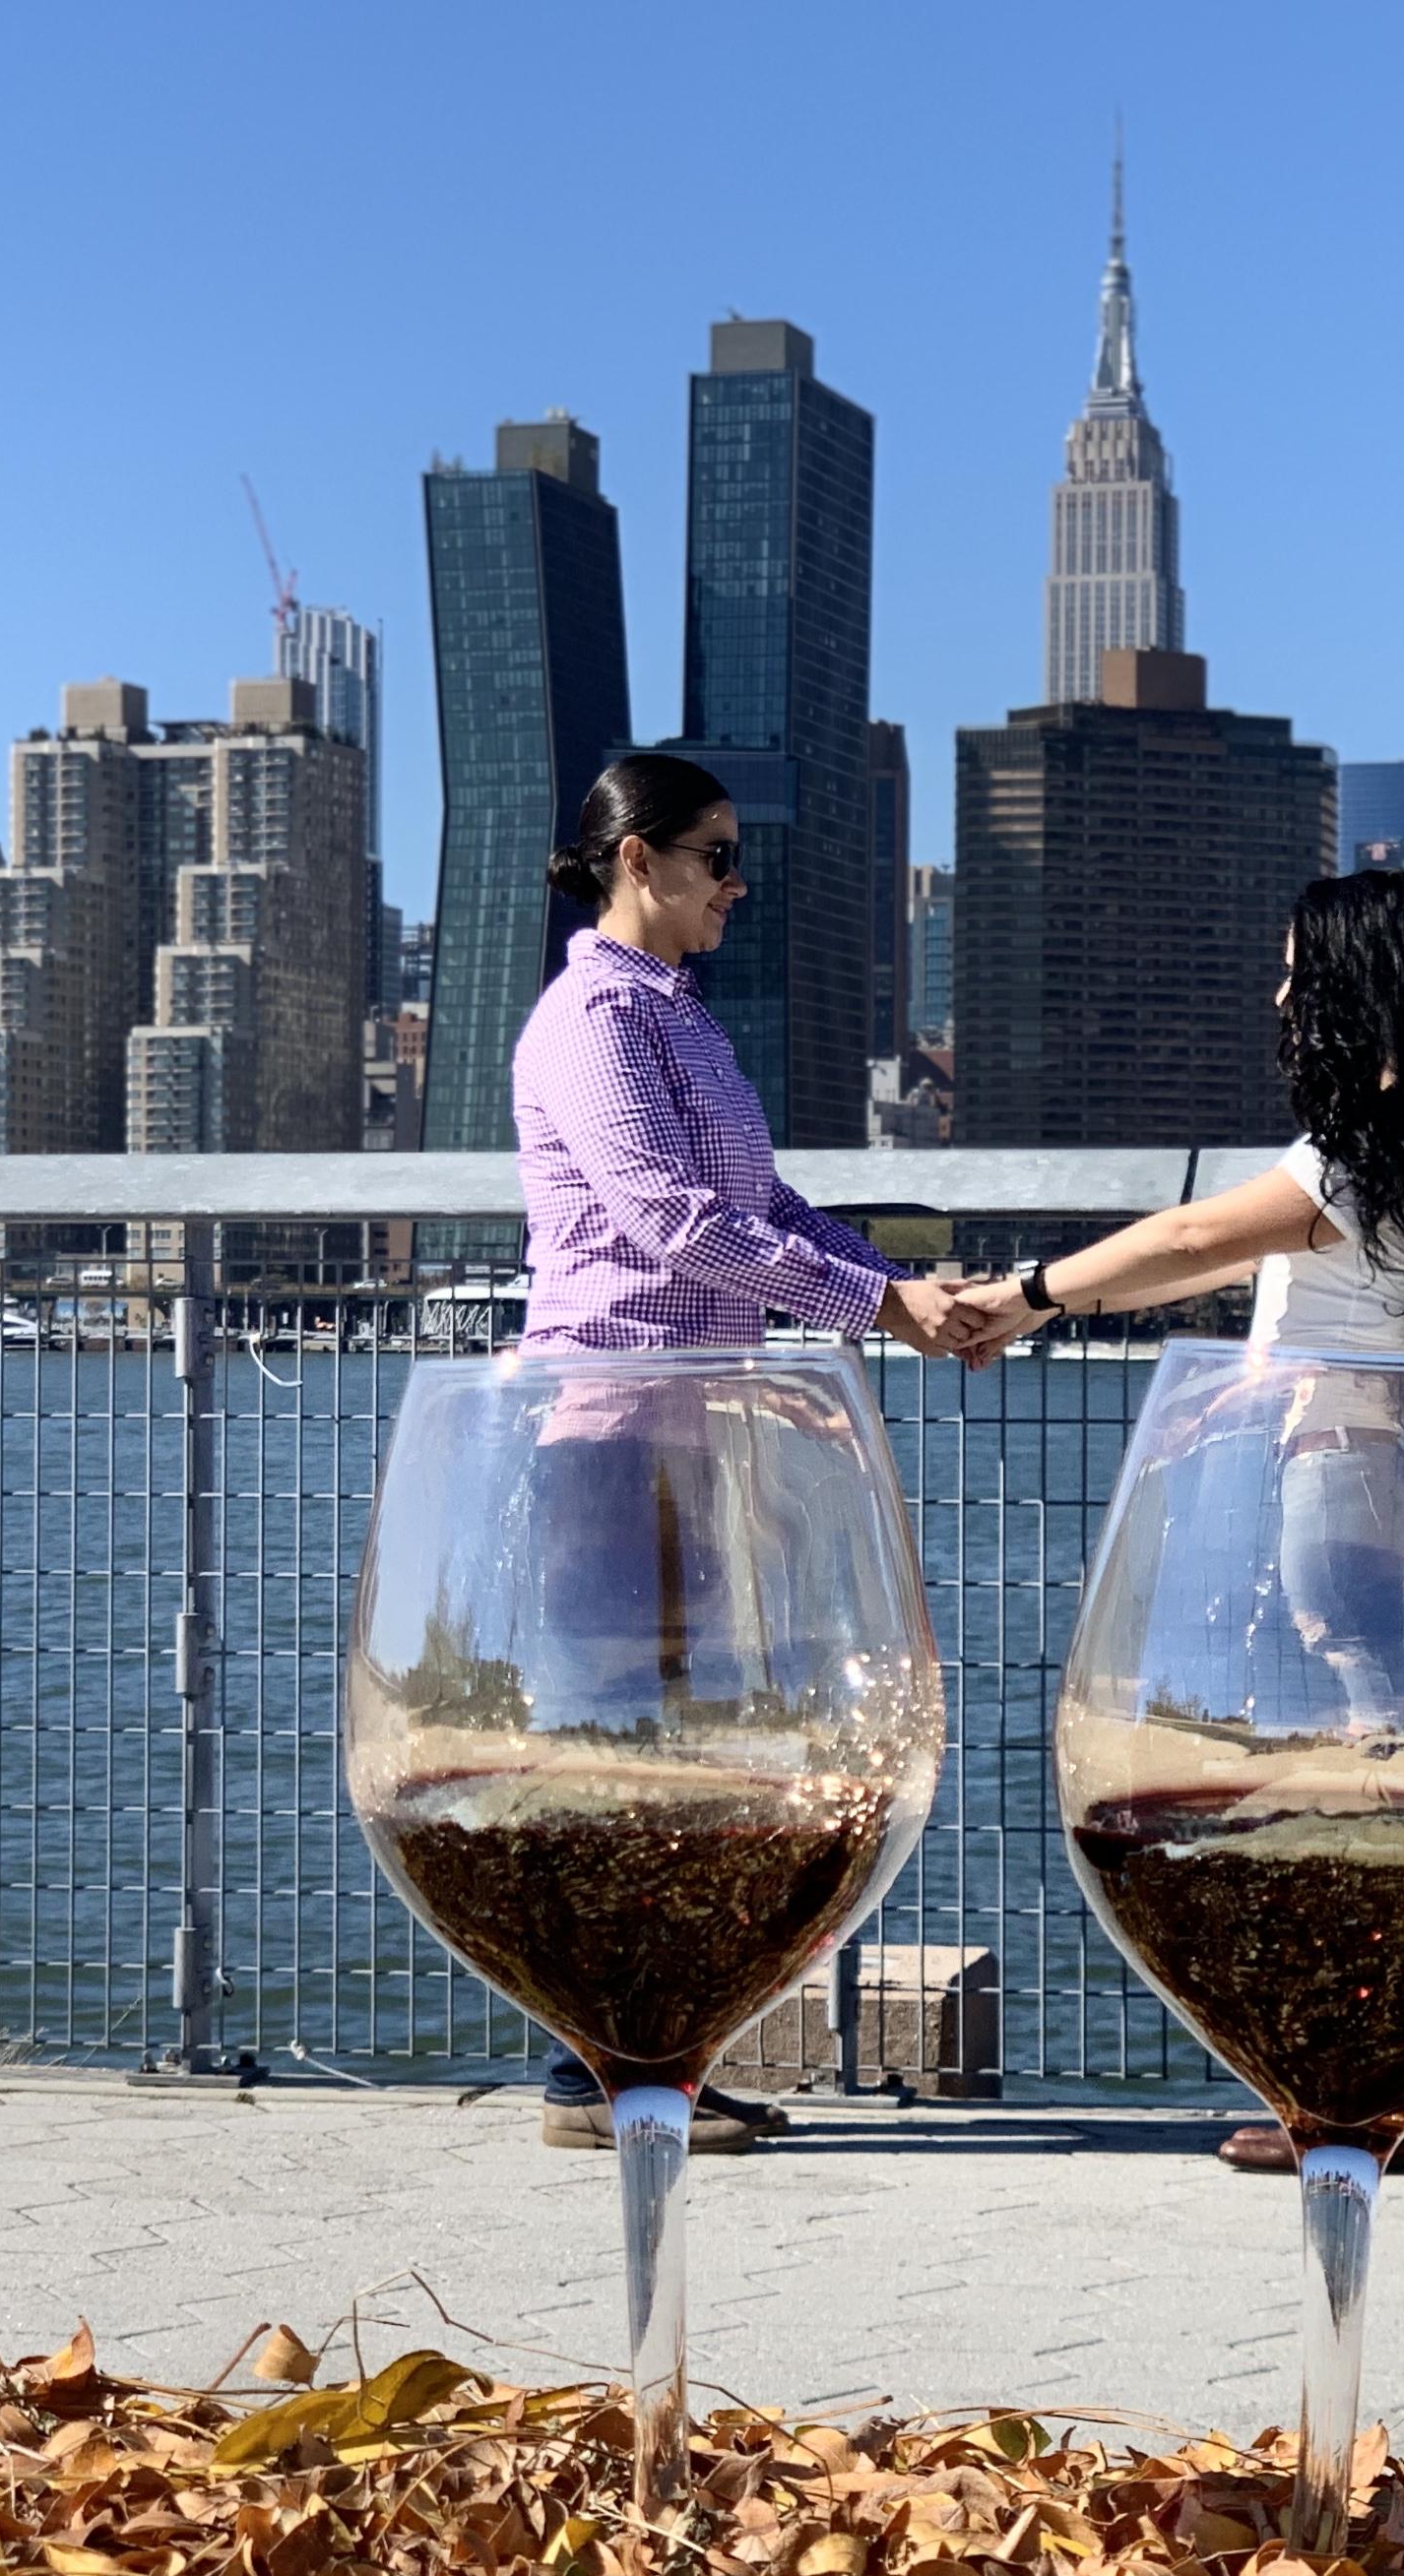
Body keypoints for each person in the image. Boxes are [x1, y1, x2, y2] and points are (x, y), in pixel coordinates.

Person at [939, 864, 1404, 2173]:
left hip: (1340, 1487)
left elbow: (1185, 1239)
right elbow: (1210, 1266)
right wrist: (1056, 1315)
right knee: (1397, 1789)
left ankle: (1356, 2100)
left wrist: (1023, 1293)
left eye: (1295, 974)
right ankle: (1395, 2088)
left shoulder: (1345, 1163)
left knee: (1347, 1794)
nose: (1278, 997)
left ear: (1350, 992)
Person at [510, 752, 962, 2151]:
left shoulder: (678, 1018)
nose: (735, 883)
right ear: (636, 859)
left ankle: (653, 2056)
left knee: (684, 1745)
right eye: (714, 856)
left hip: (690, 1427)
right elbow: (675, 1224)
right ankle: (596, 2074)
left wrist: (901, 1290)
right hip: (609, 1431)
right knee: (612, 1749)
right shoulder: (593, 1017)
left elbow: (762, 1206)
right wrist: (879, 1305)